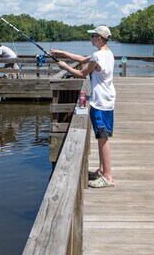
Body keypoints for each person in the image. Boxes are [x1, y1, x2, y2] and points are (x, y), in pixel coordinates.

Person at [50, 25, 116, 188]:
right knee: (103, 135)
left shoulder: (97, 55)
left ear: (100, 38)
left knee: (102, 138)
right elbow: (82, 60)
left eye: (93, 36)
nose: (91, 38)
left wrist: (65, 67)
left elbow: (81, 73)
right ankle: (101, 171)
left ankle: (107, 177)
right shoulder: (108, 53)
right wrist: (62, 53)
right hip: (108, 99)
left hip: (100, 101)